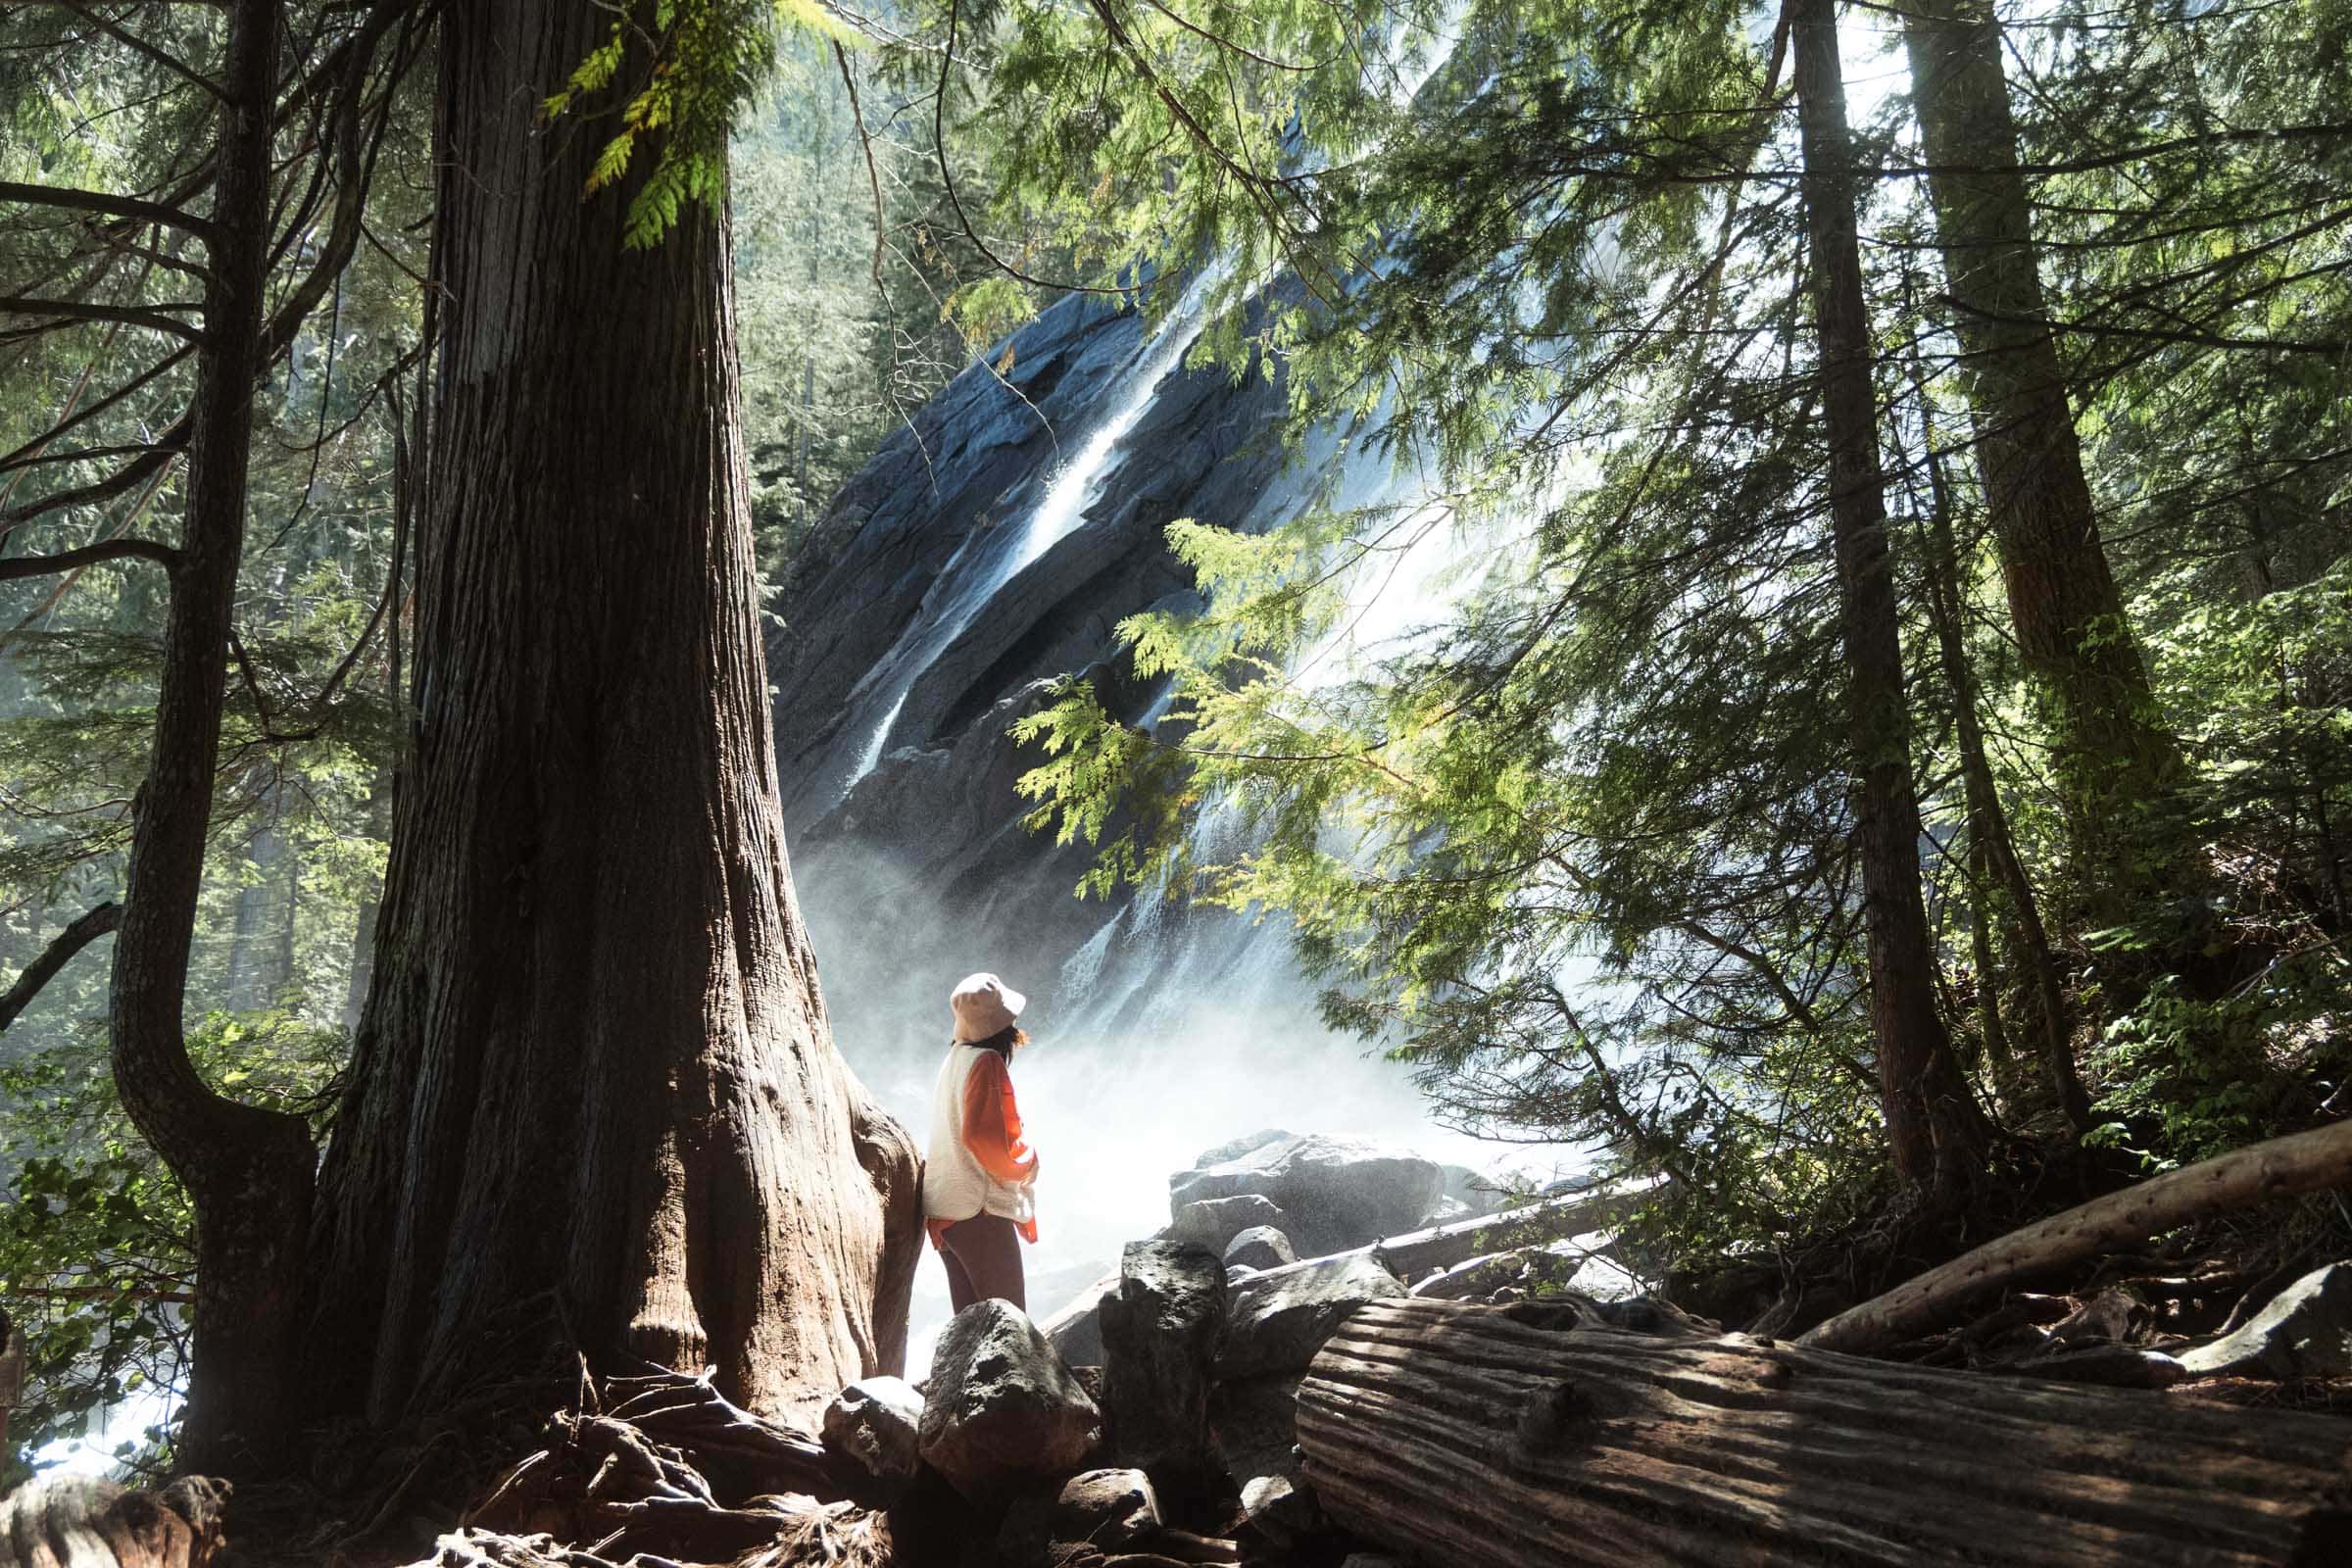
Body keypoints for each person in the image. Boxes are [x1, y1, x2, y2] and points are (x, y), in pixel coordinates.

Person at [923, 971, 1040, 1312]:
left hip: (946, 1211)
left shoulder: (955, 1058)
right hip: (979, 1211)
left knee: (970, 1330)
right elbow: (983, 1138)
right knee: (1009, 1322)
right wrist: (1027, 1164)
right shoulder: (987, 1062)